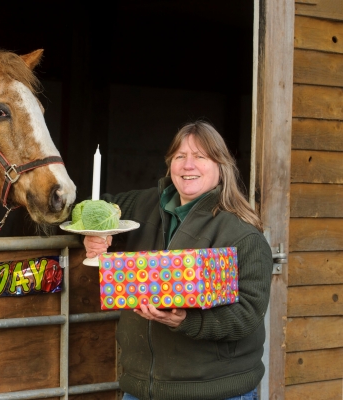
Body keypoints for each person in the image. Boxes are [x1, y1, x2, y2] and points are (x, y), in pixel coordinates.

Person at [84, 121, 272, 400]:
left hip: (213, 391)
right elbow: (93, 206)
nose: (188, 165)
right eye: (180, 156)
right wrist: (96, 232)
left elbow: (247, 316)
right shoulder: (146, 204)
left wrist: (186, 320)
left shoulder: (242, 235)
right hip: (139, 390)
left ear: (221, 165)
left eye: (200, 156)